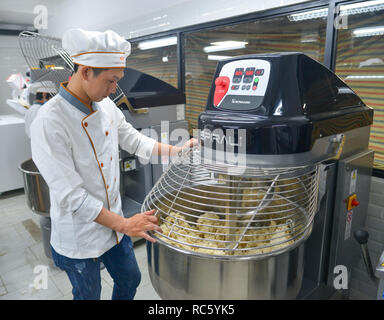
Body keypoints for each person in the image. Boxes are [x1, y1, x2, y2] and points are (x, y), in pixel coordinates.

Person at [30, 28, 197, 300]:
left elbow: (136, 141)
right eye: (111, 80)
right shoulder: (50, 122)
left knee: (131, 279)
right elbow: (72, 196)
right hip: (80, 236)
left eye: (118, 80)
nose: (114, 89)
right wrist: (124, 224)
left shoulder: (106, 106)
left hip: (115, 226)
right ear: (85, 72)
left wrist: (178, 151)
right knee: (88, 294)